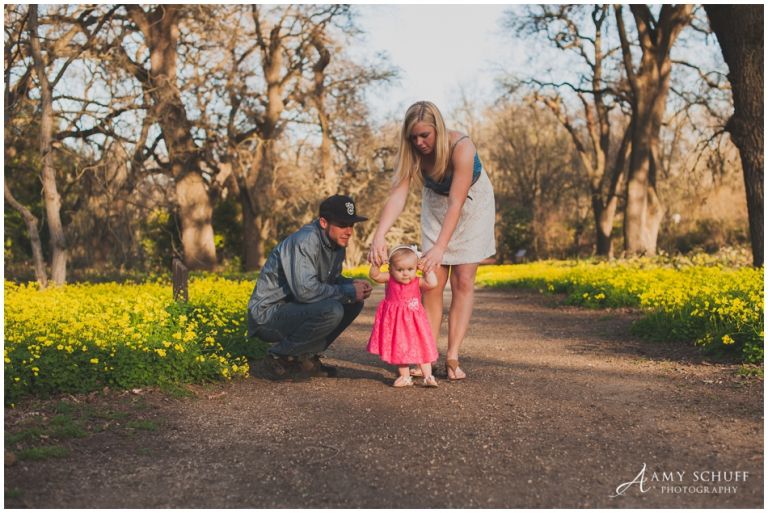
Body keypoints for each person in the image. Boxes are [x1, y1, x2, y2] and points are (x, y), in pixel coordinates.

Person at [368, 101, 496, 381]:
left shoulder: (462, 146)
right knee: (430, 283)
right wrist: (379, 235)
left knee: (463, 279)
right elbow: (398, 196)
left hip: (472, 206)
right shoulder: (411, 154)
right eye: (413, 137)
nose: (419, 142)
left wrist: (440, 248)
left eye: (424, 135)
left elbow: (457, 202)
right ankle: (425, 354)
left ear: (438, 128)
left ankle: (452, 356)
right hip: (436, 207)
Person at [248, 194, 373, 381]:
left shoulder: (337, 243)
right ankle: (278, 357)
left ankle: (306, 359)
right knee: (333, 309)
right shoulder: (305, 241)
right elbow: (305, 291)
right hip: (268, 316)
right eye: (342, 224)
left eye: (351, 225)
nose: (349, 231)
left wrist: (351, 284)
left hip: (295, 309)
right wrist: (346, 291)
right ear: (323, 222)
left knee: (353, 302)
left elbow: (330, 280)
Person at [367, 245, 440, 388]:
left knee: (421, 347)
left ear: (416, 268)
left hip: (415, 323)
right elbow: (374, 276)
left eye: (410, 269)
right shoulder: (390, 279)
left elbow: (433, 283)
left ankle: (428, 376)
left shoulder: (417, 281)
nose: (405, 274)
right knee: (399, 348)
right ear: (390, 269)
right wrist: (376, 264)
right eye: (400, 270)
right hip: (396, 323)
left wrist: (427, 270)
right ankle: (405, 377)